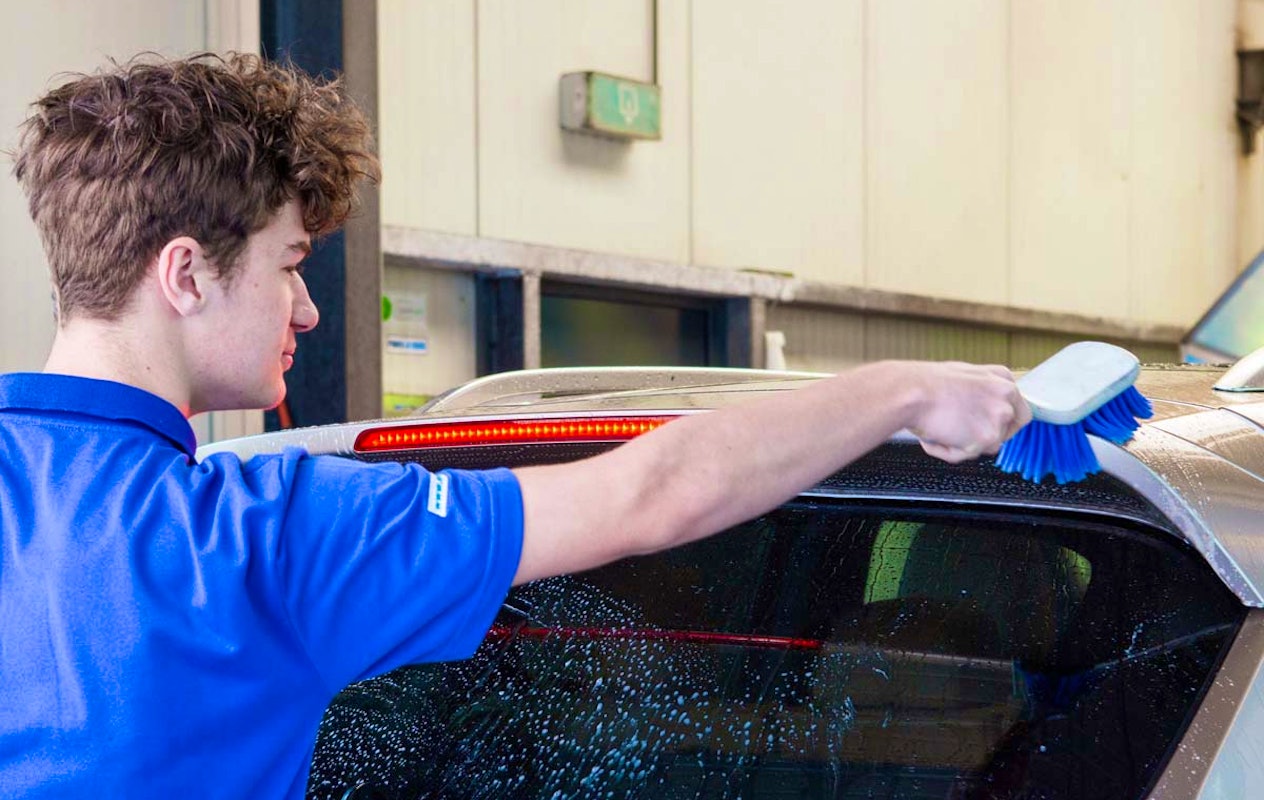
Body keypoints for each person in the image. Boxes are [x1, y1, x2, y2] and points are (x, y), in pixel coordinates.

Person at [0, 53, 1030, 798]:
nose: (305, 311)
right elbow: (650, 491)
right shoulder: (268, 533)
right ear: (185, 273)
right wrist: (902, 392)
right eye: (291, 264)